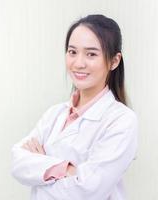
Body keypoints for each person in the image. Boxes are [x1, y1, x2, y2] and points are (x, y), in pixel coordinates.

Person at [11, 14, 138, 200]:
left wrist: (41, 168)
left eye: (91, 54)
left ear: (114, 61)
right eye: (72, 52)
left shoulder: (121, 120)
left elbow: (88, 190)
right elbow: (17, 162)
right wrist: (67, 170)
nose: (78, 63)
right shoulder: (54, 114)